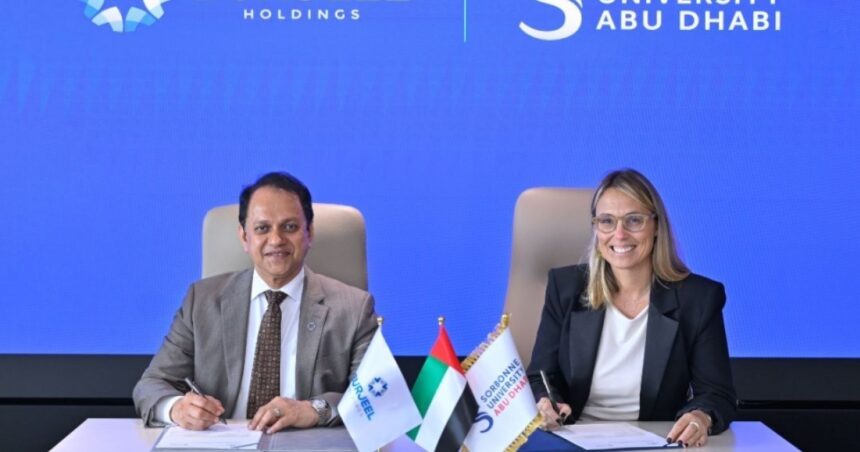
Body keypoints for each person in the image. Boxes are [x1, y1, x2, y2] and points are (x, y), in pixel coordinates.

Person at [133, 172, 377, 434]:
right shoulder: (201, 301)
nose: (276, 240)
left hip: (305, 443)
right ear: (244, 237)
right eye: (262, 228)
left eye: (290, 227)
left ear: (309, 233)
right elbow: (151, 385)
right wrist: (177, 408)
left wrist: (313, 409)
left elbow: (374, 396)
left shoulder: (354, 308)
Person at [527, 169, 736, 448]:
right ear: (596, 229)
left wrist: (700, 416)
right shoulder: (565, 288)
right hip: (572, 442)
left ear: (657, 226)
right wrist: (545, 402)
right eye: (607, 221)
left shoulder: (698, 298)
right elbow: (540, 377)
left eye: (634, 220)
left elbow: (717, 395)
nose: (620, 234)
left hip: (656, 443)